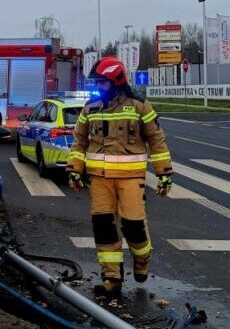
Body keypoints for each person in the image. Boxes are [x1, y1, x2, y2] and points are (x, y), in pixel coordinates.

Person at [66, 56, 173, 297]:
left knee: (134, 226)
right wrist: (74, 169)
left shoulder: (139, 107)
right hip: (100, 179)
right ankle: (111, 278)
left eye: (102, 83)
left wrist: (164, 174)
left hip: (130, 180)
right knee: (104, 228)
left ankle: (142, 259)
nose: (98, 88)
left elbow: (157, 141)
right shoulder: (90, 109)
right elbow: (79, 142)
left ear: (117, 81)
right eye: (96, 83)